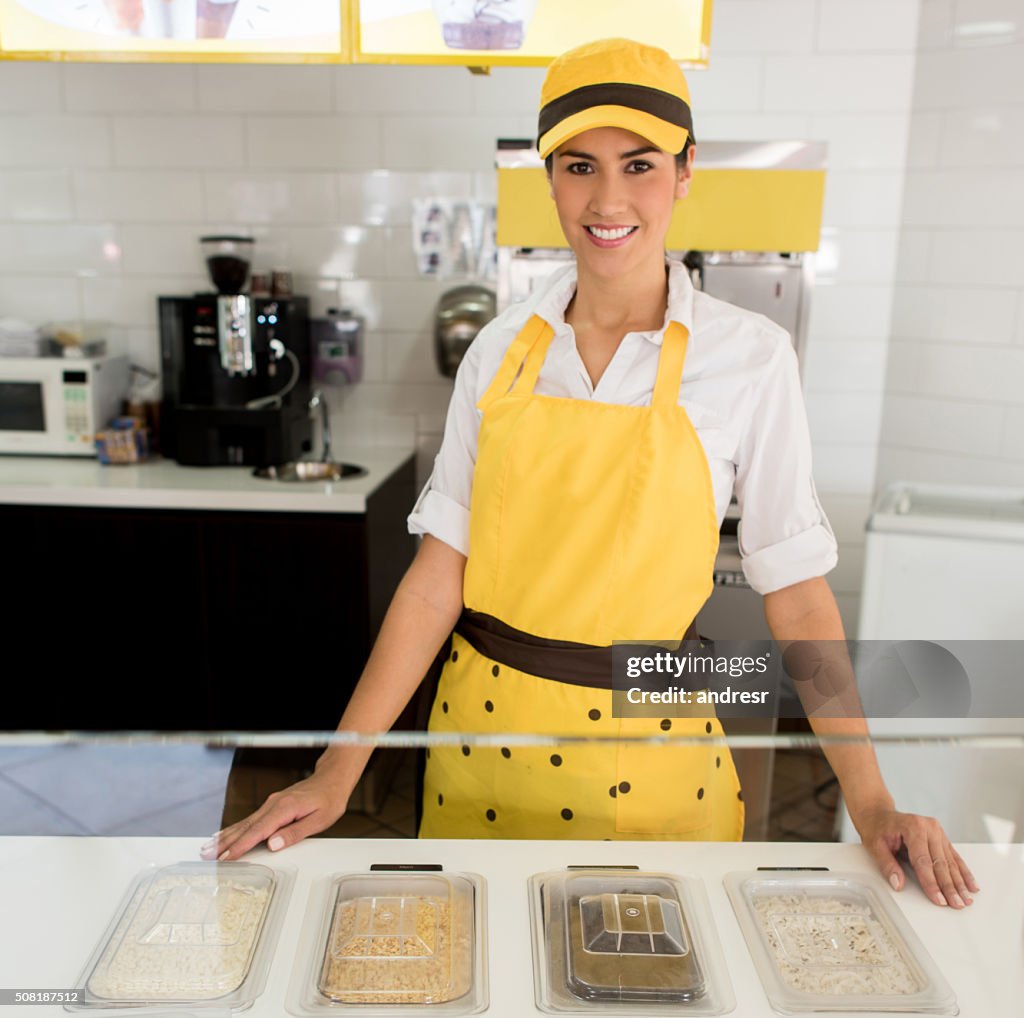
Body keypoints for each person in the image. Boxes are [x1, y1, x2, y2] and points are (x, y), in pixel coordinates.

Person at [204, 37, 978, 910]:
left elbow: (798, 596)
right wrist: (336, 773)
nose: (608, 199)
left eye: (640, 164)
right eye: (580, 165)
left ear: (686, 173)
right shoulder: (499, 350)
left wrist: (870, 801)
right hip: (481, 750)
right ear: (550, 179)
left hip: (652, 766)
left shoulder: (752, 358)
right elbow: (435, 582)